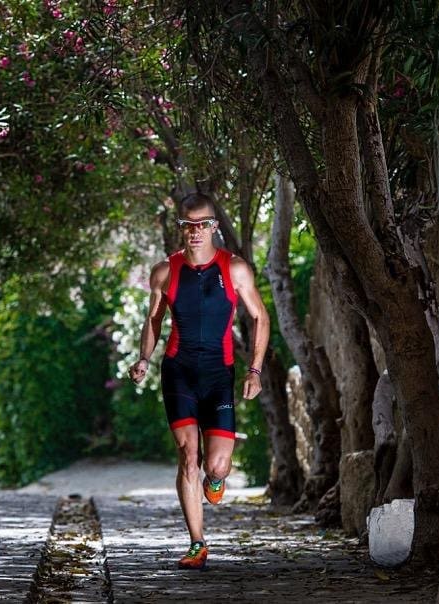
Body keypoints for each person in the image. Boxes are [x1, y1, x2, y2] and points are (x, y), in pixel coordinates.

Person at [129, 192, 269, 570]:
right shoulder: (165, 271)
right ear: (181, 228)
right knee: (188, 455)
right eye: (187, 225)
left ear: (214, 227)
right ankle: (197, 543)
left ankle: (216, 480)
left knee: (217, 466)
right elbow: (154, 320)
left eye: (202, 224)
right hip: (179, 370)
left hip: (219, 374)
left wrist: (255, 370)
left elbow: (260, 317)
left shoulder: (235, 269)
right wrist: (144, 358)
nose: (195, 232)